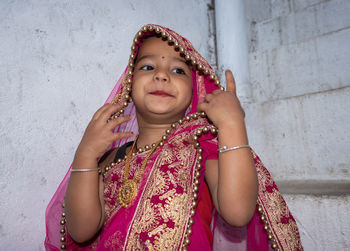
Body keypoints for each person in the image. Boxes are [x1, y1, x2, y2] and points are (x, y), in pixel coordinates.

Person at [45, 24, 303, 251]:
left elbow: (237, 213)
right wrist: (86, 154)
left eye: (178, 71)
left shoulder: (200, 150)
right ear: (129, 86)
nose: (162, 74)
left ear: (195, 93)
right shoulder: (111, 157)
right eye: (148, 66)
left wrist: (231, 124)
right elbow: (81, 231)